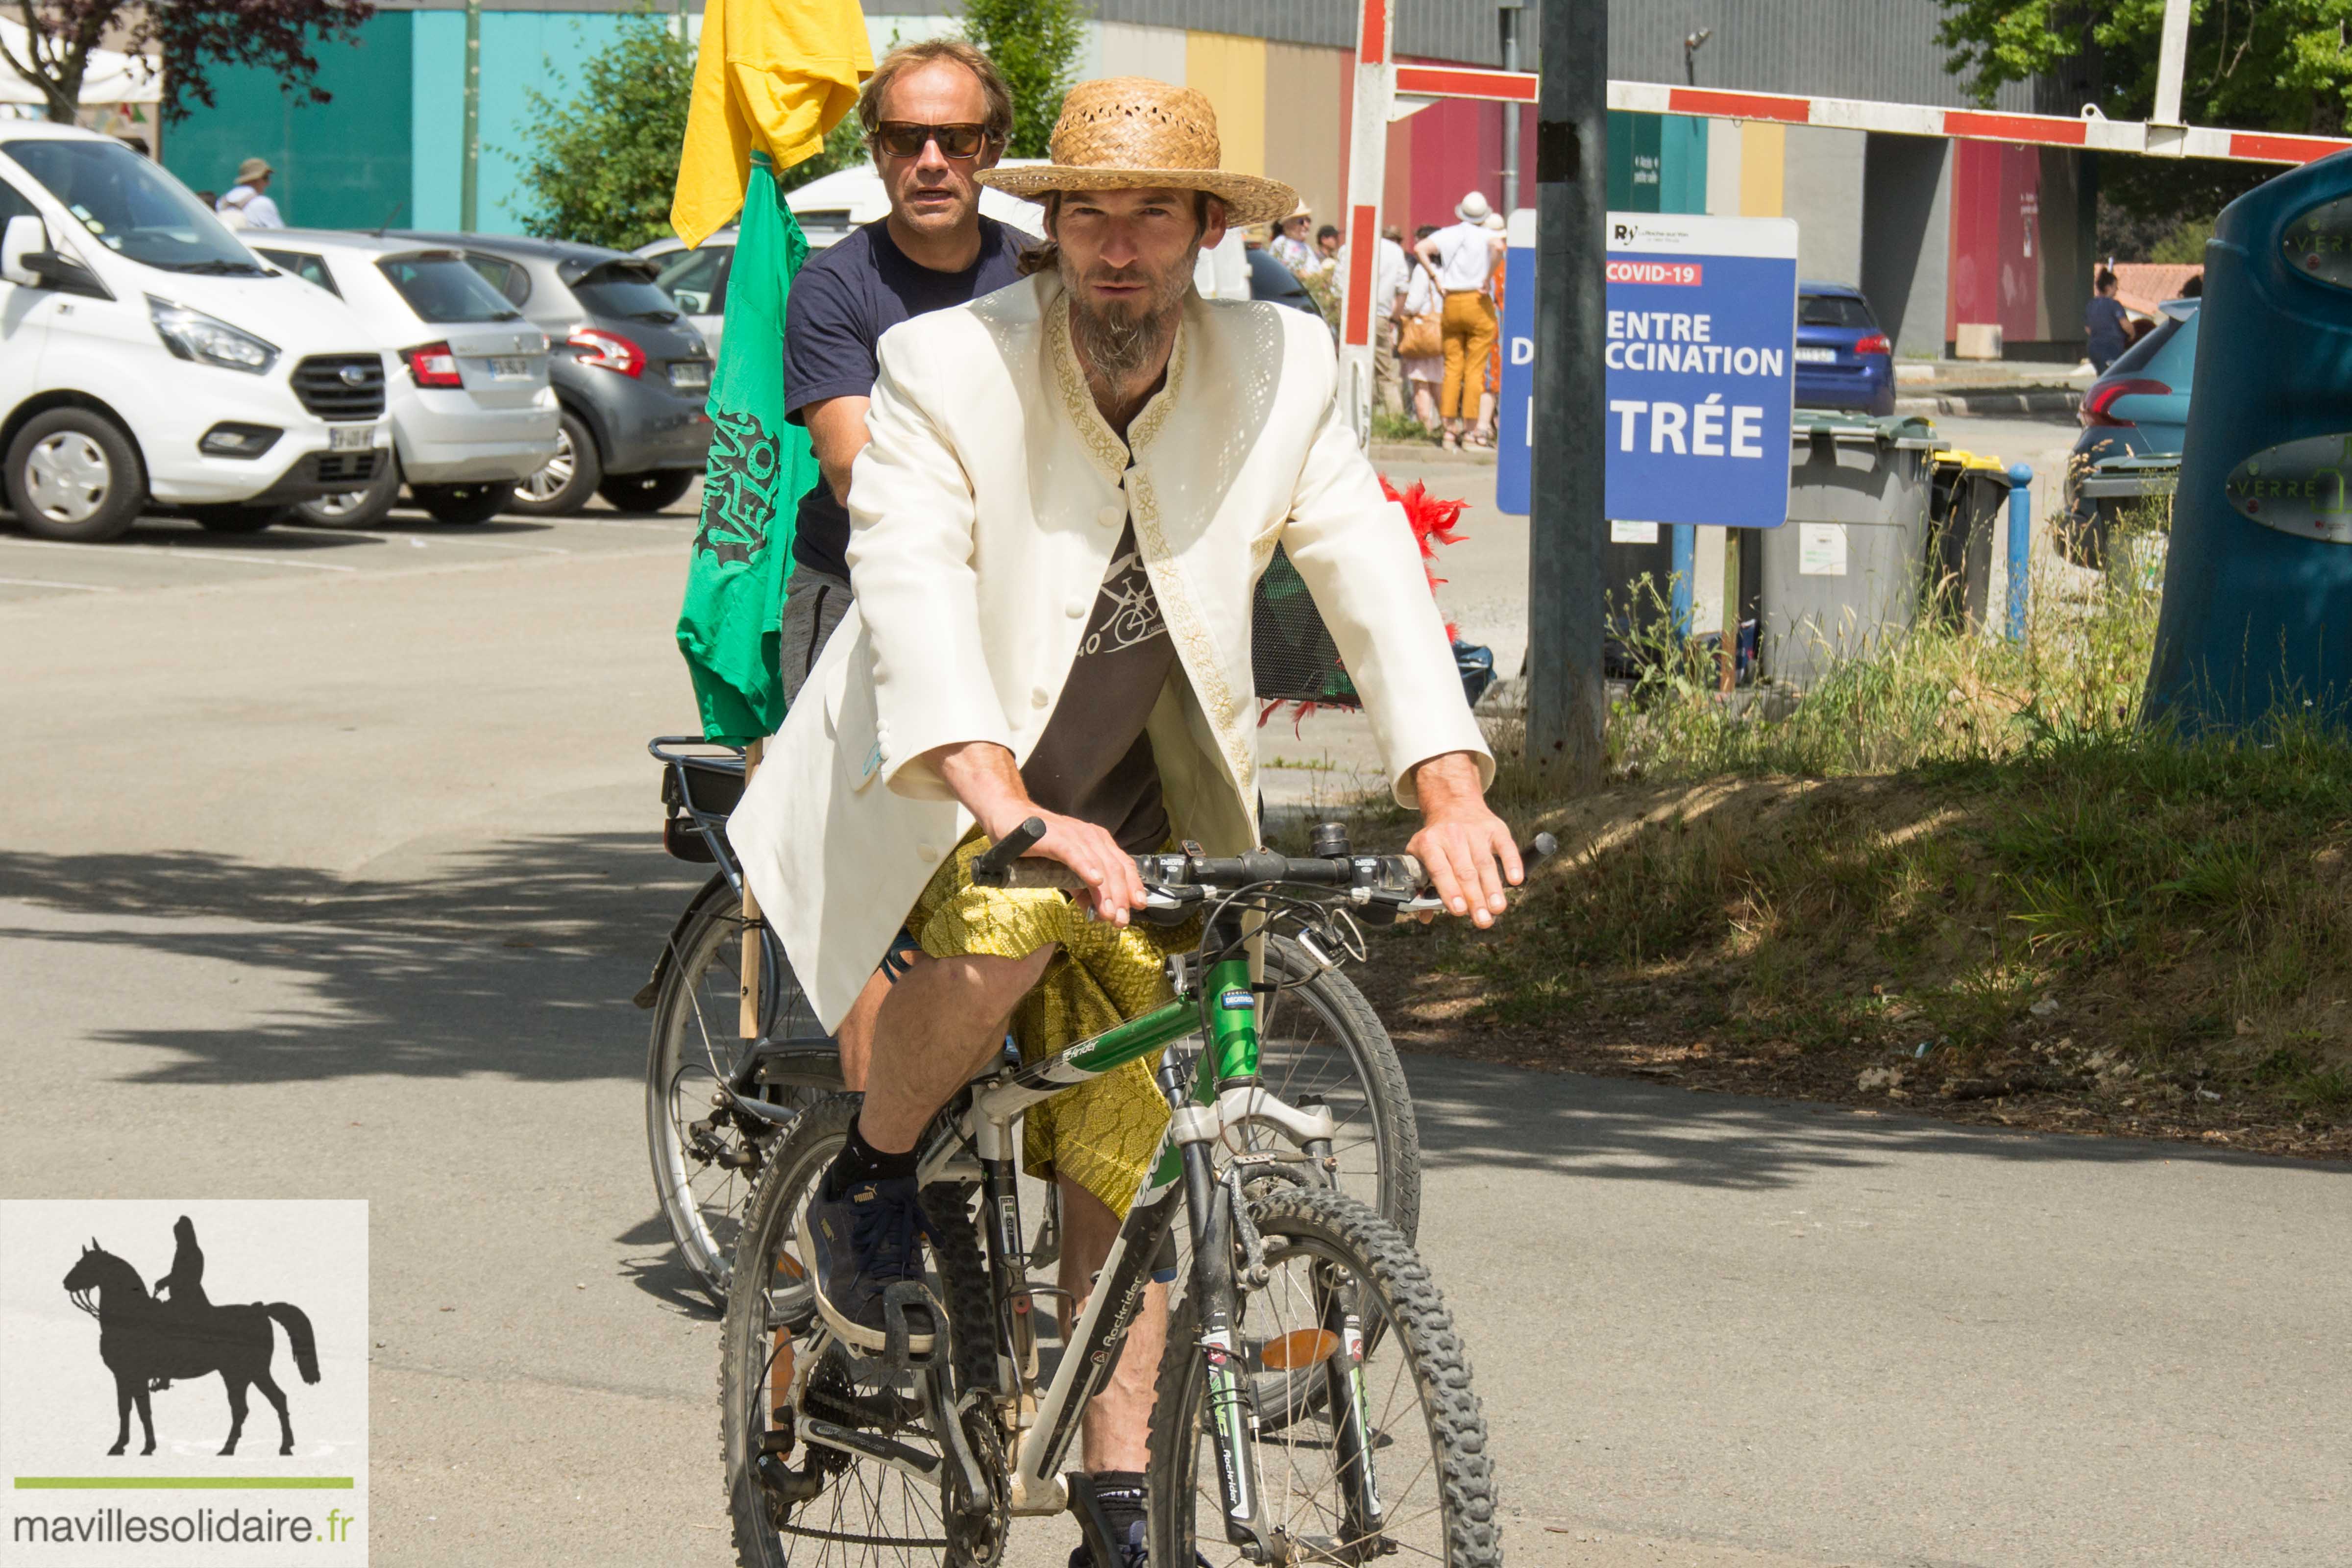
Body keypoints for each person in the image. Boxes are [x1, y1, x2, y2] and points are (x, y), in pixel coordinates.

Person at [727, 76, 1520, 1564]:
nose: (1116, 247)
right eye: (1085, 212)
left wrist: (1447, 783)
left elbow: (1364, 572)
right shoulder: (944, 365)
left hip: (1142, 794)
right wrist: (1006, 803)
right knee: (1015, 928)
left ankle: (1110, 1506)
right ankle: (873, 1165)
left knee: (1131, 1133)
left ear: (1207, 230)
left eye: (1153, 212)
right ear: (1049, 228)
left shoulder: (1282, 362)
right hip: (934, 776)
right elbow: (905, 593)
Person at [776, 38, 1030, 1086]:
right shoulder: (837, 289)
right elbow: (855, 473)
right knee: (875, 890)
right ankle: (868, 1186)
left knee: (1012, 872)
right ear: (877, 154)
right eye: (904, 138)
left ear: (993, 148)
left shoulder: (1040, 275)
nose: (931, 158)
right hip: (859, 600)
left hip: (1013, 602)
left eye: (956, 137)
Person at [1416, 191, 1503, 451]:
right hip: (1478, 300)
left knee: (1452, 367)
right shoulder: (1488, 235)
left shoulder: (1449, 234)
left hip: (1452, 300)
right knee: (1475, 368)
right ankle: (1470, 430)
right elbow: (1499, 248)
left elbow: (1421, 248)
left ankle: (1448, 430)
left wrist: (1435, 277)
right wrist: (1488, 276)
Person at [1401, 223, 1446, 429]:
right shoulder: (1447, 269)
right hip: (1443, 328)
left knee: (1421, 382)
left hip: (1422, 328)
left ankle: (1425, 426)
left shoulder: (1422, 270)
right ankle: (1447, 425)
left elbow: (1413, 303)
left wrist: (1404, 314)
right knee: (1439, 381)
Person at [216, 158, 283, 230]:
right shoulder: (263, 202)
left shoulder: (221, 202)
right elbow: (281, 235)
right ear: (255, 179)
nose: (268, 183)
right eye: (266, 178)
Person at [2085, 268, 2131, 373]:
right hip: (2111, 348)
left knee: (2102, 376)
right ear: (2108, 288)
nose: (2117, 290)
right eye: (2115, 287)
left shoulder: (2091, 305)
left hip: (2094, 348)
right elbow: (2125, 325)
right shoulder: (2114, 305)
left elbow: (2088, 329)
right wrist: (2132, 334)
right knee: (2114, 377)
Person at [1270, 202, 1316, 272]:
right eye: (1301, 221)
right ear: (1288, 224)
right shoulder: (1281, 244)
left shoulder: (1307, 248)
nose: (1306, 226)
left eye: (1308, 221)